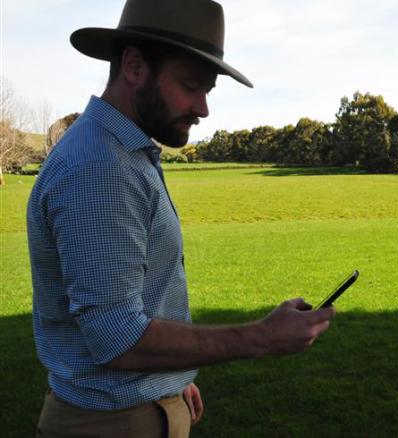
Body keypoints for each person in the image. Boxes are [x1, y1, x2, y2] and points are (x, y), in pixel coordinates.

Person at [27, 0, 336, 436]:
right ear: (134, 65)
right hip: (113, 425)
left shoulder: (122, 152)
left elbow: (136, 301)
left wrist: (169, 383)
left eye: (207, 89)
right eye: (191, 85)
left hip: (135, 408)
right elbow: (117, 338)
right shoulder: (100, 167)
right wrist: (261, 336)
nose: (203, 107)